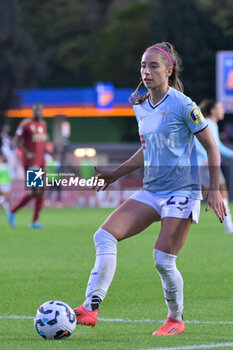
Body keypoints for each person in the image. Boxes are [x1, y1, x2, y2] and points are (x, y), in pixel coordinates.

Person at [73, 42, 226, 336]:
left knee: (163, 261)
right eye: (143, 65)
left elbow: (211, 145)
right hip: (152, 190)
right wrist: (114, 174)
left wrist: (216, 188)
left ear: (169, 71)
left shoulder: (184, 105)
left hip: (183, 191)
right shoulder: (141, 105)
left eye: (154, 66)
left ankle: (175, 319)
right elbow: (147, 150)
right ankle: (90, 308)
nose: (147, 71)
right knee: (104, 235)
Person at [7, 103, 47, 229]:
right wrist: (27, 153)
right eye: (36, 111)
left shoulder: (43, 124)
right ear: (33, 111)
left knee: (40, 192)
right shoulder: (25, 124)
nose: (38, 113)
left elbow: (42, 142)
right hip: (31, 162)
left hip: (41, 162)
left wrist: (50, 153)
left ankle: (34, 221)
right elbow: (16, 141)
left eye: (40, 111)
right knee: (37, 191)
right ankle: (13, 211)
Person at [195, 99, 233, 234]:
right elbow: (198, 143)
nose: (222, 110)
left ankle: (179, 221)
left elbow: (218, 147)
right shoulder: (208, 124)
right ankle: (229, 226)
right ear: (213, 111)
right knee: (222, 189)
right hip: (206, 164)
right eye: (220, 108)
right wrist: (206, 158)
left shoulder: (212, 125)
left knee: (199, 197)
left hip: (205, 164)